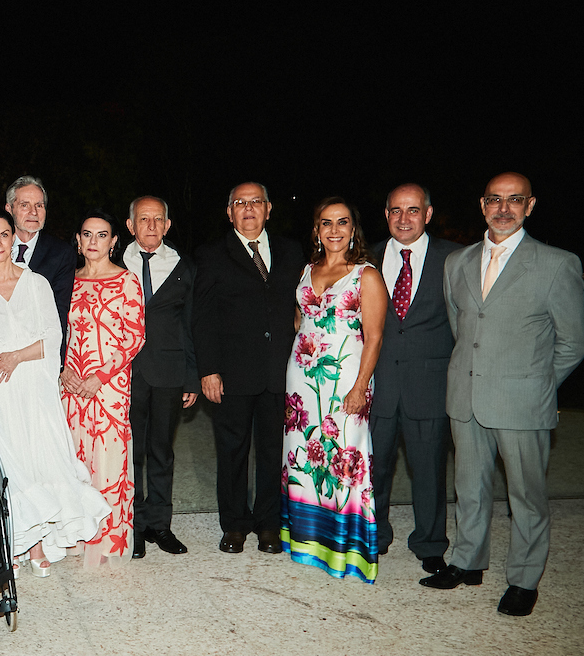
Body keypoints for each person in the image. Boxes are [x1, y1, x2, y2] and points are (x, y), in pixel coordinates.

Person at [422, 172, 584, 616]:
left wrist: (536, 384)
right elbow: (463, 329)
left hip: (523, 403)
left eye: (515, 200)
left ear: (530, 206)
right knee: (469, 488)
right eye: (495, 199)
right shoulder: (457, 262)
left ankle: (524, 579)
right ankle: (468, 561)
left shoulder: (557, 264)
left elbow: (574, 342)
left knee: (526, 497)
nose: (503, 208)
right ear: (482, 205)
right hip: (466, 396)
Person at [0, 210, 109, 577]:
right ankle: (27, 542)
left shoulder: (37, 283)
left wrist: (17, 356)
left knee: (45, 459)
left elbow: (53, 339)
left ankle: (46, 538)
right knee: (14, 466)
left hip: (36, 388)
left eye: (3, 236)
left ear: (13, 239)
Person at [192, 183, 303, 554]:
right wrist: (208, 369)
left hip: (280, 372)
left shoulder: (292, 251)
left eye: (256, 202)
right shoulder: (211, 255)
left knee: (274, 451)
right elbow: (203, 317)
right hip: (231, 375)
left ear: (269, 208)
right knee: (232, 452)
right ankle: (235, 524)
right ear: (229, 212)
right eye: (240, 202)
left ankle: (269, 523)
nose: (249, 208)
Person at [282, 197, 387, 582]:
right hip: (303, 380)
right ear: (317, 230)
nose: (334, 230)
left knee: (345, 457)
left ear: (353, 228)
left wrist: (360, 387)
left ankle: (346, 550)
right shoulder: (307, 270)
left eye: (342, 222)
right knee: (304, 457)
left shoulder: (366, 275)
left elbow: (374, 338)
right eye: (326, 223)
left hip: (347, 379)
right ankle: (308, 542)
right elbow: (300, 320)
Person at [368, 185, 461, 573]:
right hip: (378, 385)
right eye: (395, 211)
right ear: (386, 214)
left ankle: (430, 544)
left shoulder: (455, 259)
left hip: (430, 385)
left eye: (412, 210)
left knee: (429, 470)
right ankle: (375, 536)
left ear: (428, 213)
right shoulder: (365, 259)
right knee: (374, 470)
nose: (403, 218)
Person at [61, 208, 146, 567]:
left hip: (109, 385)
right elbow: (59, 332)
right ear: (78, 242)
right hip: (71, 384)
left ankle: (108, 542)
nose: (93, 241)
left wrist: (100, 377)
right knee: (75, 460)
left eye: (101, 235)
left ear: (113, 241)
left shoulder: (126, 280)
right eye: (86, 234)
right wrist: (63, 369)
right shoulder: (68, 281)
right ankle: (76, 537)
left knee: (109, 460)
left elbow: (135, 336)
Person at [122, 196, 198, 559]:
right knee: (131, 453)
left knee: (162, 452)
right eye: (143, 219)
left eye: (157, 220)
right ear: (130, 225)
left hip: (169, 372)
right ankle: (133, 527)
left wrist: (192, 378)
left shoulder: (184, 266)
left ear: (167, 225)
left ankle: (159, 525)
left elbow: (192, 325)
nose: (150, 226)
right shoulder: (115, 262)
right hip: (126, 374)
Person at [0, 176, 77, 363]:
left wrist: (50, 359)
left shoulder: (61, 254)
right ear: (9, 209)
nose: (33, 212)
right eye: (25, 205)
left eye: (39, 205)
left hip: (35, 358)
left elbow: (58, 313)